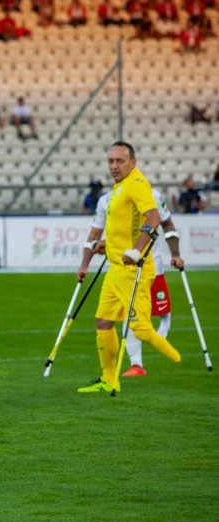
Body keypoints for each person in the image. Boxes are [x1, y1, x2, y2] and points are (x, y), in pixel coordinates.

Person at [75, 141, 181, 394]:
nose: (114, 166)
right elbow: (119, 228)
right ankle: (109, 380)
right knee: (103, 321)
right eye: (110, 161)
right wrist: (103, 247)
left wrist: (136, 250)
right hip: (115, 270)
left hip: (133, 271)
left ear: (132, 162)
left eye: (120, 161)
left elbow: (153, 217)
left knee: (141, 328)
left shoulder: (136, 184)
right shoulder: (118, 189)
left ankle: (175, 356)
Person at [88, 188, 185, 377]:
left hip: (153, 267)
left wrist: (176, 254)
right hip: (125, 271)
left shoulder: (152, 195)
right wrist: (101, 247)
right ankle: (136, 364)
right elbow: (111, 234)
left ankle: (162, 346)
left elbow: (168, 225)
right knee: (129, 315)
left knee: (162, 313)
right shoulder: (108, 200)